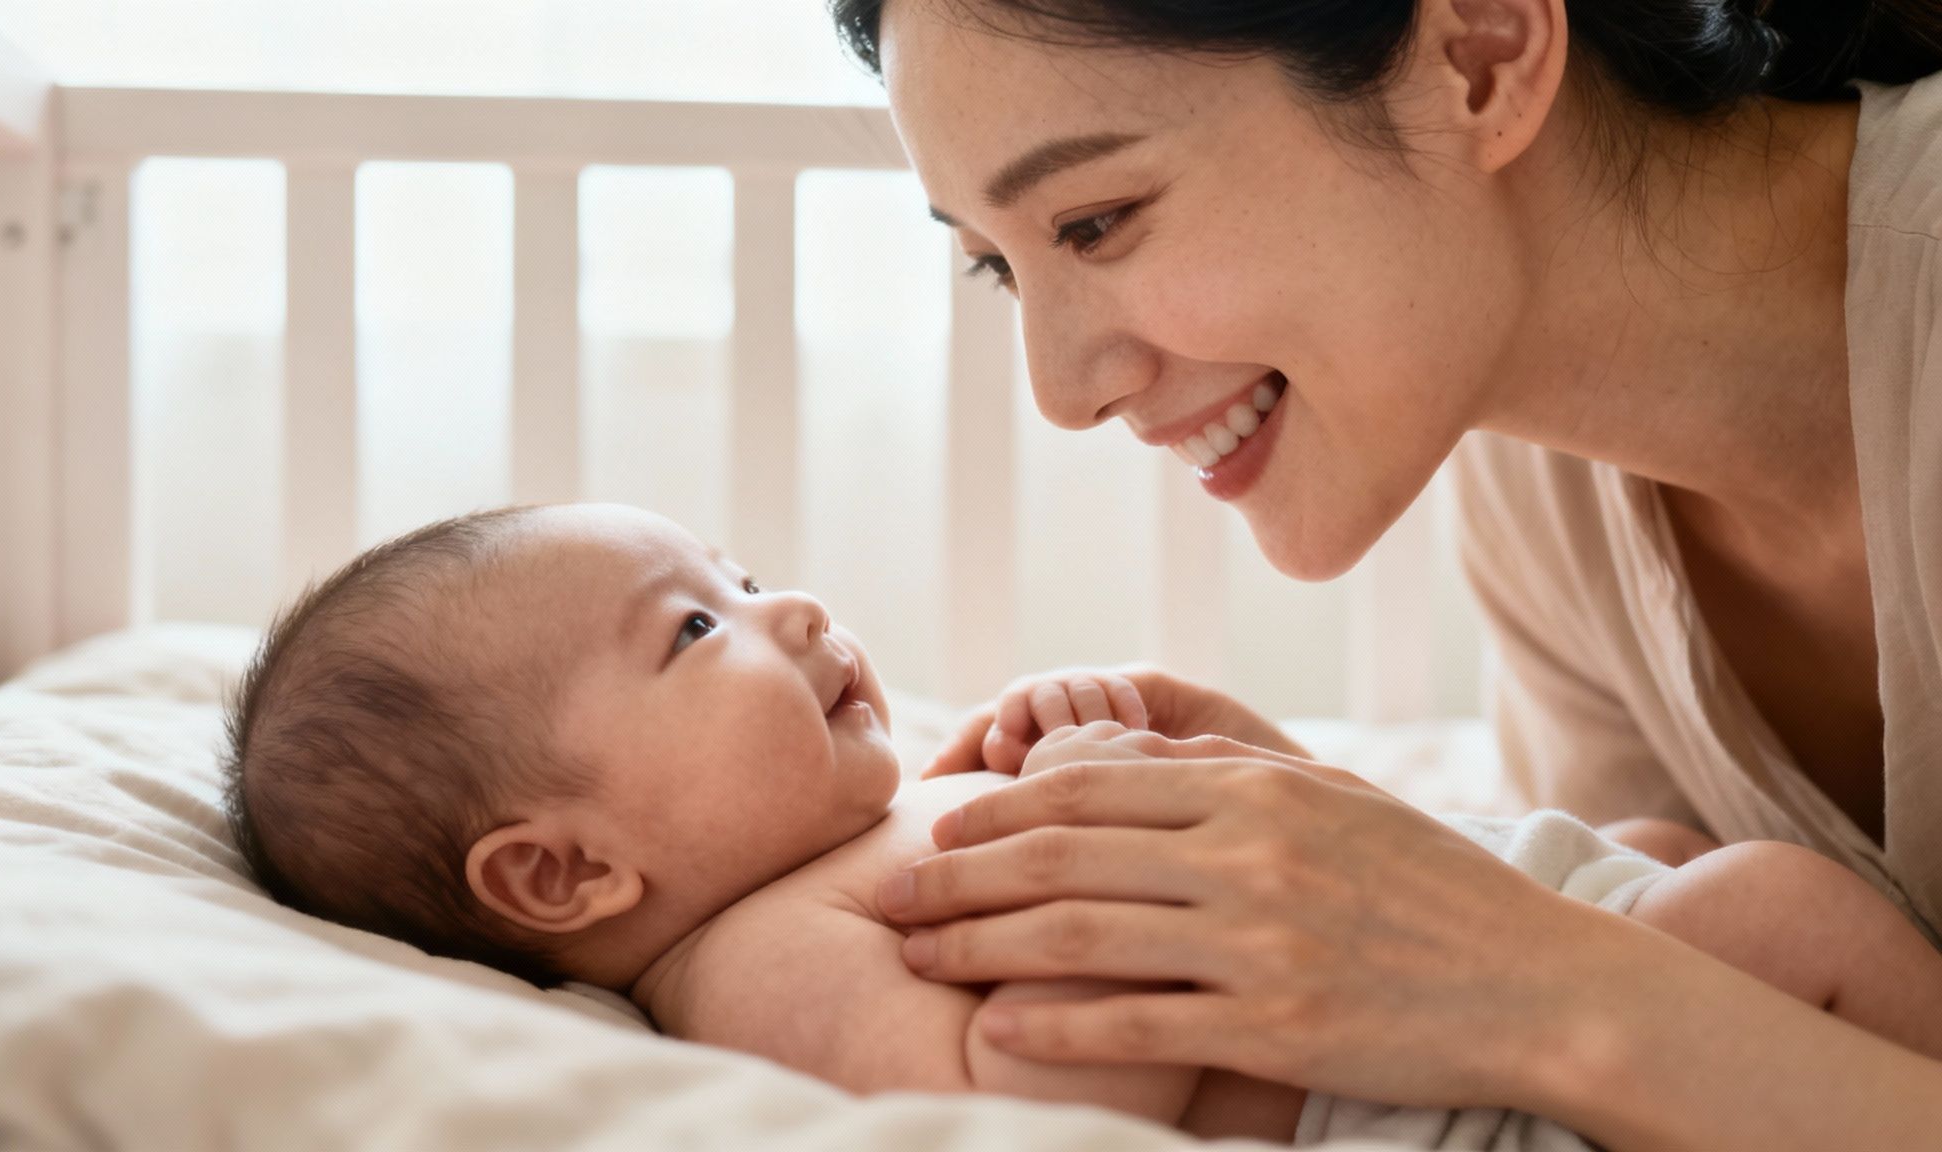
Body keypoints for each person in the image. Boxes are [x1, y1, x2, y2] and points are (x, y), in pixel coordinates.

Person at [825, 0, 1942, 1147]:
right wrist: (1365, 880)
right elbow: (1693, 1020)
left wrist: (1535, 992)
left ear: (1479, 55)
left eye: (1096, 222)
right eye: (995, 271)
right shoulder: (1538, 491)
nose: (1061, 395)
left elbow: (1609, 1005)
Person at [222, 502, 1942, 1148]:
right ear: (564, 868)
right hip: (1458, 1100)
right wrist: (1089, 820)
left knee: (1651, 837)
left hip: (1486, 961)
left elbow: (1335, 869)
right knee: (1770, 910)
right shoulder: (758, 962)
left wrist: (1213, 766)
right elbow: (1042, 1102)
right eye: (693, 630)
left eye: (738, 576)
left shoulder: (875, 834)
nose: (792, 608)